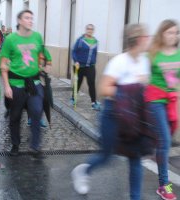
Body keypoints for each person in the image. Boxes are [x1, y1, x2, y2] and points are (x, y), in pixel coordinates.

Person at [71, 24, 154, 200]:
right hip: (113, 115)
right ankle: (83, 171)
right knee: (106, 155)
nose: (149, 39)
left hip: (134, 116)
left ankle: (135, 197)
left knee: (135, 157)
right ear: (138, 39)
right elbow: (103, 89)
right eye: (147, 36)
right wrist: (129, 90)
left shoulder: (145, 61)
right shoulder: (119, 61)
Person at [0, 9, 51, 156]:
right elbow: (3, 65)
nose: (30, 20)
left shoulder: (37, 37)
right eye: (27, 18)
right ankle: (15, 145)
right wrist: (7, 86)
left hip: (34, 84)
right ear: (20, 21)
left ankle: (35, 146)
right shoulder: (10, 39)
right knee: (15, 116)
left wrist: (45, 67)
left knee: (36, 111)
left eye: (31, 18)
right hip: (16, 84)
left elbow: (42, 54)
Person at [145, 19, 178, 200]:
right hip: (155, 100)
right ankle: (165, 185)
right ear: (162, 34)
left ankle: (156, 150)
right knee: (165, 139)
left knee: (164, 141)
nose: (174, 36)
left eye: (176, 32)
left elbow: (177, 81)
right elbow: (142, 75)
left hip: (172, 101)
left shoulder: (178, 54)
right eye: (170, 32)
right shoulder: (153, 54)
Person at [71, 24, 100, 110]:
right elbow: (74, 51)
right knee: (78, 83)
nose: (90, 30)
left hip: (90, 67)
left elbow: (95, 53)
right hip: (80, 66)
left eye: (91, 29)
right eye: (88, 29)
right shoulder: (80, 40)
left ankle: (93, 102)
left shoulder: (96, 42)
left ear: (93, 31)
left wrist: (94, 61)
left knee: (91, 84)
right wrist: (76, 61)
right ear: (86, 30)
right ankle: (73, 98)